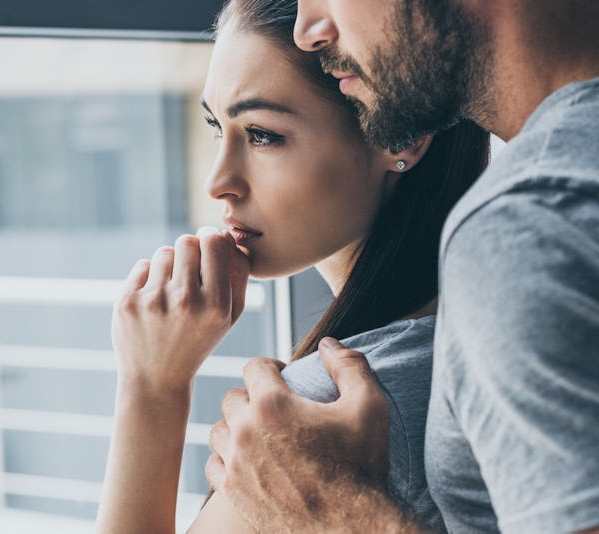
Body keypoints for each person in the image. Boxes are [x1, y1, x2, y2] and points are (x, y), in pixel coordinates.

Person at [95, 0, 489, 531]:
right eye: (219, 128)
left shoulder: (331, 410)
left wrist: (151, 388)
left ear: (400, 137)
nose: (218, 182)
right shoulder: (477, 334)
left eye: (262, 135)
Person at [206, 0, 599, 532]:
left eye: (263, 134)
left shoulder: (528, 225)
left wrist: (337, 511)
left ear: (403, 146)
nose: (309, 28)